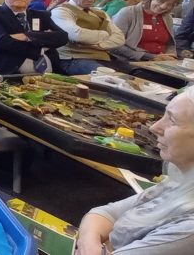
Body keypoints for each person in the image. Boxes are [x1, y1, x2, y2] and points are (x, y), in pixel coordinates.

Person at [76, 86, 194, 255]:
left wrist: (90, 241)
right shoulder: (182, 179)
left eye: (172, 120)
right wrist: (91, 245)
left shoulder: (189, 231)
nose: (155, 127)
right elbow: (104, 213)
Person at [49, 0, 125, 75]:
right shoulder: (61, 11)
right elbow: (78, 35)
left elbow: (120, 38)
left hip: (102, 57)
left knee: (137, 74)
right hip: (72, 59)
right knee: (111, 78)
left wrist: (98, 45)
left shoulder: (101, 13)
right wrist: (105, 34)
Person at [110, 0, 184, 63]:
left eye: (170, 5)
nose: (163, 6)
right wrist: (150, 57)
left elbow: (170, 44)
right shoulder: (128, 13)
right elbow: (114, 45)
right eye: (161, 0)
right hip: (132, 61)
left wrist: (171, 55)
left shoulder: (168, 18)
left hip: (160, 62)